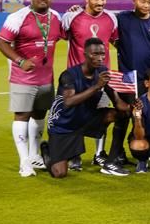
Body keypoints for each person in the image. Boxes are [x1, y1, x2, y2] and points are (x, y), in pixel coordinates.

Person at [39, 38, 134, 178]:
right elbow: (69, 102)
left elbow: (118, 103)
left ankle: (111, 161)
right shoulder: (69, 75)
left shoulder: (102, 72)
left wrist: (132, 107)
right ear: (85, 54)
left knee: (121, 114)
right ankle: (48, 151)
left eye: (102, 54)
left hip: (86, 118)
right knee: (59, 173)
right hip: (64, 125)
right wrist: (96, 86)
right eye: (95, 54)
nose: (100, 58)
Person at [0, 0, 64, 176]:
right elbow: (1, 43)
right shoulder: (17, 17)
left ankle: (34, 155)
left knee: (40, 115)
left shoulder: (55, 17)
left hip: (46, 78)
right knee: (22, 115)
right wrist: (20, 61)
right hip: (23, 78)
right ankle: (24, 162)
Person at [110, 0, 150, 165]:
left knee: (147, 115)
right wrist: (119, 47)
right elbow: (107, 31)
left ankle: (148, 150)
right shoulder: (122, 18)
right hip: (128, 78)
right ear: (134, 1)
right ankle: (118, 152)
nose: (146, 5)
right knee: (124, 115)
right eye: (143, 1)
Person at [61, 0, 119, 167]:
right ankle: (74, 155)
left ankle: (99, 153)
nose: (100, 2)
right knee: (73, 116)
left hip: (102, 77)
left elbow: (116, 41)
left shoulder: (111, 18)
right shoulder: (71, 16)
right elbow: (60, 35)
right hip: (76, 77)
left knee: (102, 115)